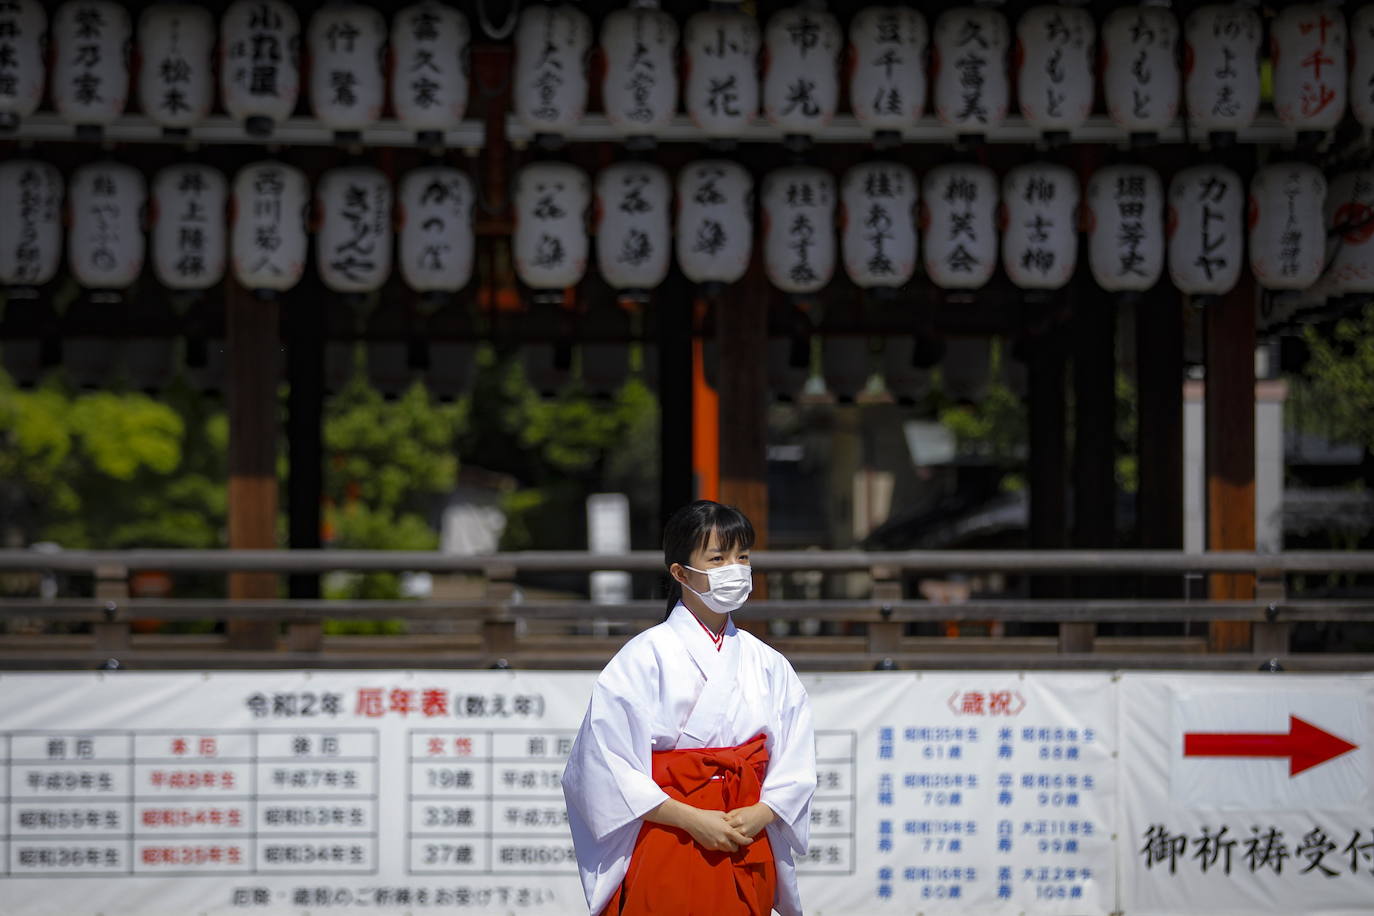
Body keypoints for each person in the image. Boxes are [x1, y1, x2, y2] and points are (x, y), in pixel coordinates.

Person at [562, 500, 817, 916]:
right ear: (680, 572)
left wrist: (762, 811)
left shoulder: (768, 663)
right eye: (718, 558)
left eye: (743, 557)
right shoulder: (643, 657)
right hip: (669, 832)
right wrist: (690, 819)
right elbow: (604, 765)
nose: (734, 568)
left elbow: (796, 757)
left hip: (745, 834)